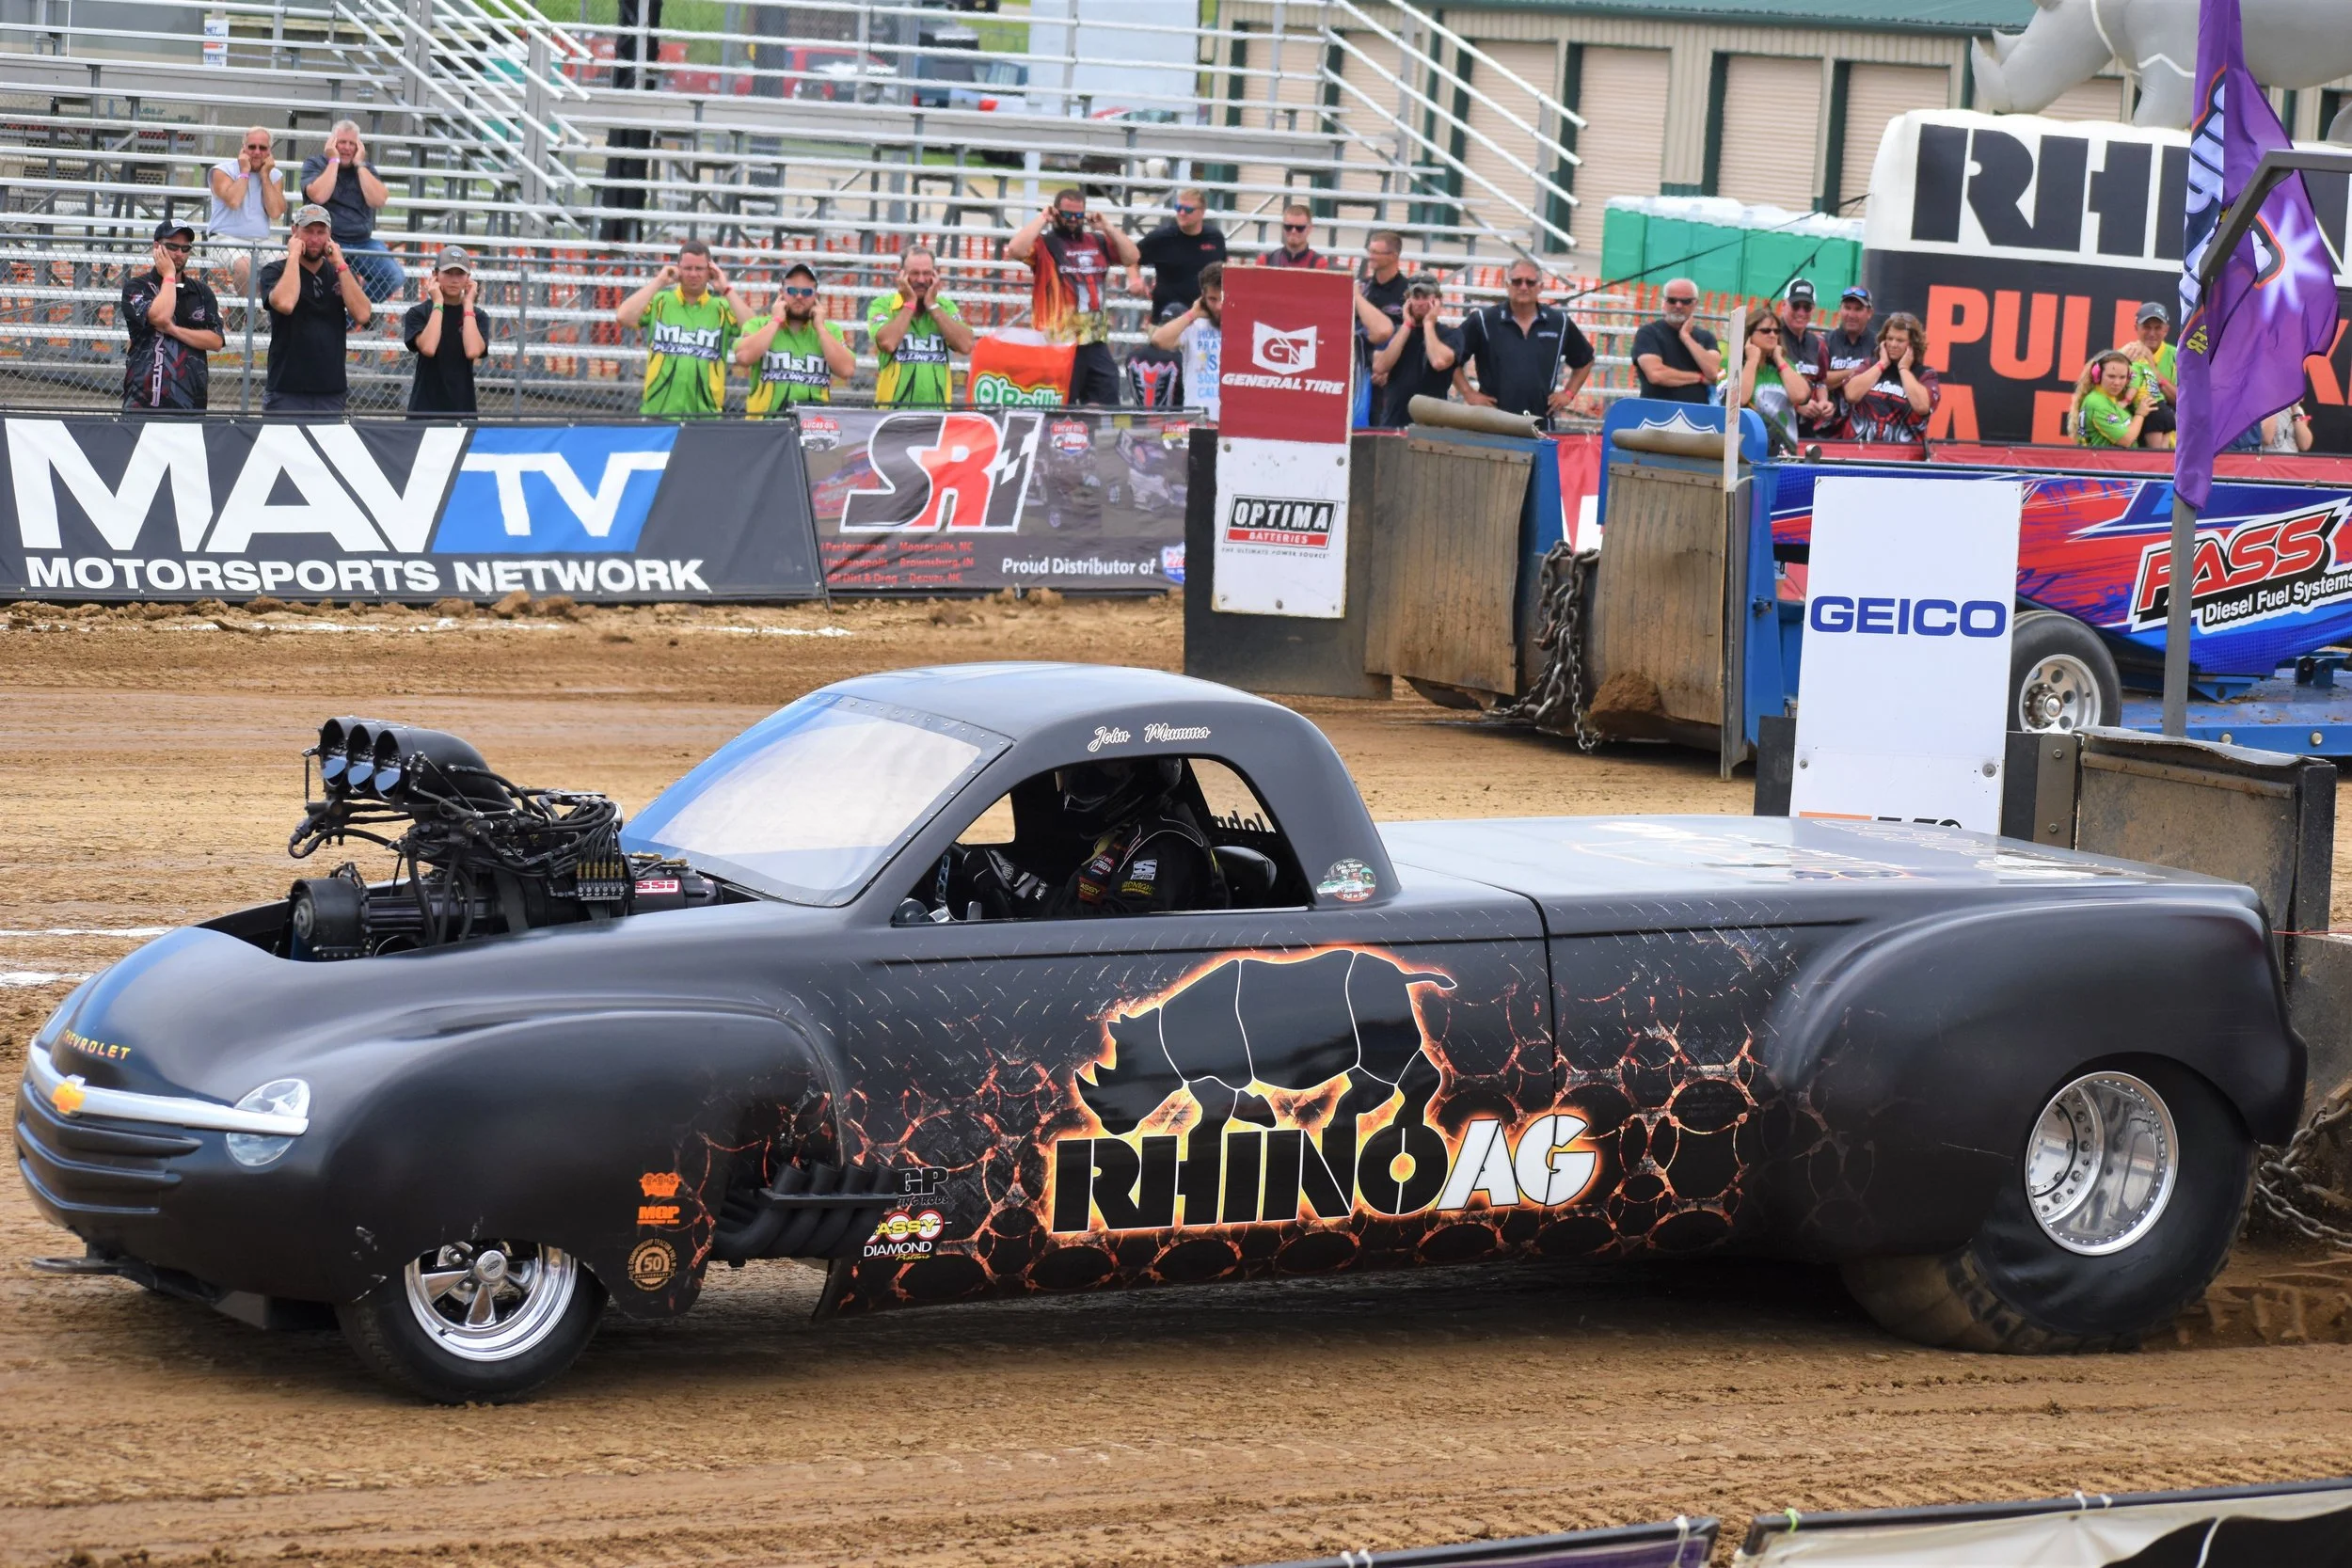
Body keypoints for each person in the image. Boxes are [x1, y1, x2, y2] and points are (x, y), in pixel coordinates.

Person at [961, 759, 1222, 919]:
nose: (1079, 783)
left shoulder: (1165, 847)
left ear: (1133, 775)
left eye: (1094, 773)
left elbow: (1117, 934)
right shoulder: (1127, 833)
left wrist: (1021, 884)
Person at [1007, 187, 1139, 407]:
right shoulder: (1046, 244)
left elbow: (1132, 256)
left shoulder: (1096, 241)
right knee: (1058, 410)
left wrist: (1107, 226)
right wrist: (1043, 218)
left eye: (1078, 215)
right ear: (1056, 213)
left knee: (1107, 407)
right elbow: (1015, 249)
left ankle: (1094, 441)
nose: (1073, 220)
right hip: (1057, 343)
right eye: (1067, 215)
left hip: (1094, 342)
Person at [258, 202, 372, 413]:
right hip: (286, 389)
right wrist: (293, 256)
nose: (314, 238)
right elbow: (285, 303)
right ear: (294, 232)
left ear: (330, 235)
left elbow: (363, 314)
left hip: (331, 389)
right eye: (308, 231)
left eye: (321, 232)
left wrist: (340, 265)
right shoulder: (274, 271)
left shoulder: (342, 272)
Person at [614, 239, 744, 419]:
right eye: (687, 268)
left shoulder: (722, 307)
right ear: (677, 269)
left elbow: (751, 329)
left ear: (710, 272)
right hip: (658, 412)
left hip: (705, 416)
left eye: (699, 269)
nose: (693, 274)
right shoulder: (660, 301)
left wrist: (727, 289)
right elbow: (623, 316)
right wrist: (660, 281)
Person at [1455, 261, 1595, 423]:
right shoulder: (1483, 320)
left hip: (1540, 424)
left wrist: (1568, 393)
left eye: (1530, 282)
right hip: (1492, 424)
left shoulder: (1559, 323)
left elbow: (1586, 360)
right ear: (1507, 285)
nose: (1523, 287)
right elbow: (1450, 358)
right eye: (1517, 281)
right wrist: (1469, 394)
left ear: (1541, 287)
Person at [121, 218, 223, 412]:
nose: (179, 254)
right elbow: (160, 316)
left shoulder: (202, 292)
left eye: (185, 249)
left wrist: (173, 330)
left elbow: (216, 341)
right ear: (157, 247)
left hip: (190, 402)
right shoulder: (137, 287)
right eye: (173, 247)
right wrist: (169, 275)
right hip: (142, 401)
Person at [299, 120, 400, 302]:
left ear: (359, 146)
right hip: (328, 241)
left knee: (394, 276)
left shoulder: (365, 169)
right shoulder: (315, 164)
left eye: (351, 143)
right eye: (342, 142)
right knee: (337, 285)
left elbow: (379, 200)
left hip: (362, 242)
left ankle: (352, 321)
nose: (346, 148)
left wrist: (360, 165)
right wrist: (334, 161)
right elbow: (319, 196)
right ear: (331, 143)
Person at [736, 262, 856, 415]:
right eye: (792, 291)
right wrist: (776, 321)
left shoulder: (829, 331)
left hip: (813, 425)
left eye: (806, 292)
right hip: (766, 424)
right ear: (781, 293)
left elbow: (847, 370)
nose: (799, 297)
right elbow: (743, 357)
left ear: (816, 296)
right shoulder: (758, 325)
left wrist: (820, 328)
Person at [866, 246, 975, 408]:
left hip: (936, 417)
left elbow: (965, 345)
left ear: (935, 275)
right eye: (915, 273)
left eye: (927, 273)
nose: (922, 280)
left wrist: (932, 305)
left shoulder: (945, 307)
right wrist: (910, 304)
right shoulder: (882, 305)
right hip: (893, 416)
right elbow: (888, 342)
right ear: (901, 275)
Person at [401, 245, 491, 416]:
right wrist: (438, 303)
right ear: (435, 276)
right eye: (448, 273)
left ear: (468, 278)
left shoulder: (478, 316)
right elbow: (428, 348)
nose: (454, 280)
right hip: (424, 409)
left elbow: (472, 351)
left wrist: (469, 304)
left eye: (460, 274)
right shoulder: (418, 313)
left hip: (463, 410)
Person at [206, 126, 286, 295]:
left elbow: (275, 212)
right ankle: (255, 318)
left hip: (261, 242)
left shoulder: (275, 176)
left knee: (287, 262)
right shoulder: (222, 171)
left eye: (262, 148)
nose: (257, 152)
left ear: (269, 151)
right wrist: (244, 172)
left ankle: (260, 313)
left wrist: (265, 176)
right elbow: (234, 201)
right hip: (224, 239)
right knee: (244, 264)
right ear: (243, 148)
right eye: (252, 147)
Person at [1371, 276, 1460, 428]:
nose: (1420, 303)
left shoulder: (1450, 334)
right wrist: (1407, 325)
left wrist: (1428, 323)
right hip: (1394, 424)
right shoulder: (1397, 333)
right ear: (1408, 300)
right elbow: (1380, 367)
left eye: (1425, 297)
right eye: (1415, 297)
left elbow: (1438, 361)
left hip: (1432, 426)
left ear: (1437, 301)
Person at [1718, 308, 1812, 451]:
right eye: (1766, 331)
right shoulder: (1730, 364)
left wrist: (1779, 359)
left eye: (1777, 331)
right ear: (1749, 334)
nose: (1773, 335)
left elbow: (1800, 396)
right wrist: (1752, 361)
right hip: (1743, 452)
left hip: (1784, 454)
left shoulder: (1784, 366)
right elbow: (1737, 400)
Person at [1840, 311, 1939, 444]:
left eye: (1900, 340)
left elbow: (1922, 406)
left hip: (1904, 457)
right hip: (1859, 452)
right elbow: (1851, 395)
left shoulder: (1926, 374)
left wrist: (1903, 369)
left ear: (1912, 345)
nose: (1893, 344)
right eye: (1890, 338)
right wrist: (1882, 364)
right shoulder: (1869, 365)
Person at [1145, 261, 1223, 420]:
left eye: (1222, 298)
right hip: (1198, 417)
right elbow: (1158, 340)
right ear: (1203, 296)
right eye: (1212, 299)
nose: (1218, 306)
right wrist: (1192, 314)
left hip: (1232, 419)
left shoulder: (1243, 325)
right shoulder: (1194, 324)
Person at [1135, 188, 1227, 317]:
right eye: (1178, 208)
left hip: (1204, 320)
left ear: (1202, 212)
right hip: (1167, 319)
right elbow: (1131, 257)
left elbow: (1223, 271)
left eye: (1188, 210)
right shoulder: (1162, 237)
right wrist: (1135, 279)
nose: (1182, 213)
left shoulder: (1215, 238)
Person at [1630, 277, 1721, 404]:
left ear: (1695, 304)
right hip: (1657, 414)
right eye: (1672, 300)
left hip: (1698, 416)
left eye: (1685, 301)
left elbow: (1712, 373)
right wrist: (1699, 377)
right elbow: (1656, 374)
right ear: (1664, 302)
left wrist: (1686, 337)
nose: (1678, 306)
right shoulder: (1649, 333)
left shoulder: (1706, 337)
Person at [1779, 280, 1841, 439]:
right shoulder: (1773, 336)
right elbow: (1764, 382)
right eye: (1795, 306)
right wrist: (1797, 405)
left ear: (1813, 309)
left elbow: (1820, 381)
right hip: (1777, 423)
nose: (1801, 312)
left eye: (1806, 307)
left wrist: (1824, 403)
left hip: (1805, 429)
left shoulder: (1817, 343)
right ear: (1783, 305)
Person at [2120, 301, 2179, 449]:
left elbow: (2185, 402)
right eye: (2146, 327)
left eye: (2157, 328)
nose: (2152, 333)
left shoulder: (2178, 357)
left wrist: (2155, 372)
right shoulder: (2123, 355)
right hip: (2129, 440)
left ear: (2166, 330)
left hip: (2170, 444)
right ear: (2136, 328)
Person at [1352, 229, 1405, 392]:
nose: (1371, 256)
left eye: (1376, 252)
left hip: (1395, 367)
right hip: (1359, 362)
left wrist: (1389, 367)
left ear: (1393, 256)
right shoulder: (1362, 287)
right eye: (1370, 251)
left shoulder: (1408, 291)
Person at [1817, 285, 1878, 419]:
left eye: (1858, 309)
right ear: (1840, 309)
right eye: (1847, 308)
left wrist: (1836, 377)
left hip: (1866, 423)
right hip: (1828, 424)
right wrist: (1861, 370)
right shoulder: (1824, 342)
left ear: (1869, 313)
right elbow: (1819, 379)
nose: (1851, 315)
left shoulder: (1879, 345)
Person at [2073, 353, 2153, 449]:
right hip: (2103, 462)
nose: (2117, 383)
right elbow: (2126, 440)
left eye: (2122, 377)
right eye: (2111, 376)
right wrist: (2140, 414)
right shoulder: (2098, 403)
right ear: (2097, 375)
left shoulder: (2111, 399)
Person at [1259, 202, 1328, 269]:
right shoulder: (1266, 261)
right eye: (1288, 227)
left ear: (1309, 229)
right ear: (1283, 227)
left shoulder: (1319, 264)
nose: (1293, 231)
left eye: (1299, 228)